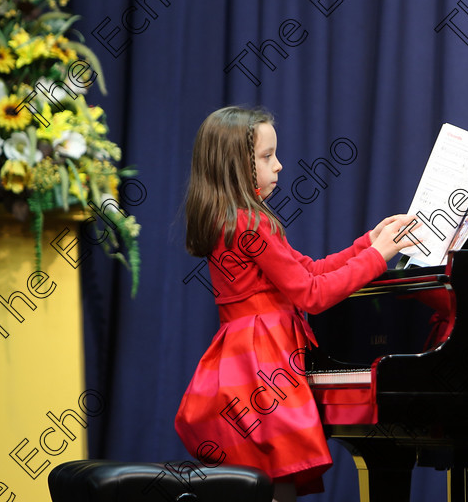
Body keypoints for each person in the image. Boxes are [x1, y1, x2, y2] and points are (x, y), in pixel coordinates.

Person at [174, 106, 416, 502]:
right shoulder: (253, 223)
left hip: (240, 361)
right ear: (236, 164)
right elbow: (313, 295)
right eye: (267, 157)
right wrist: (377, 258)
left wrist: (368, 244)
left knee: (266, 478)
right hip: (263, 363)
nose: (280, 165)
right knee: (278, 480)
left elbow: (309, 270)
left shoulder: (229, 218)